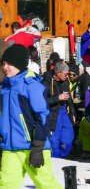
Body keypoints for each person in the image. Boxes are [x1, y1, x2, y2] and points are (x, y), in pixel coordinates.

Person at [0, 44, 62, 189]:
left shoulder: (31, 86)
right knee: (6, 184)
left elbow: (43, 117)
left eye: (9, 63)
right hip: (11, 148)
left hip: (33, 146)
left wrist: (38, 147)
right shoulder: (6, 88)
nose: (5, 67)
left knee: (46, 184)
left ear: (20, 64)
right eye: (3, 63)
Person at [42, 61, 76, 158]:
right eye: (65, 74)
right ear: (58, 73)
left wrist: (73, 113)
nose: (67, 76)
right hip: (53, 114)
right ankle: (56, 160)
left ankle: (63, 156)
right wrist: (58, 98)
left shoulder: (65, 81)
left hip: (64, 112)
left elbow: (69, 99)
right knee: (54, 141)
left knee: (68, 138)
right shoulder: (45, 83)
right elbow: (42, 102)